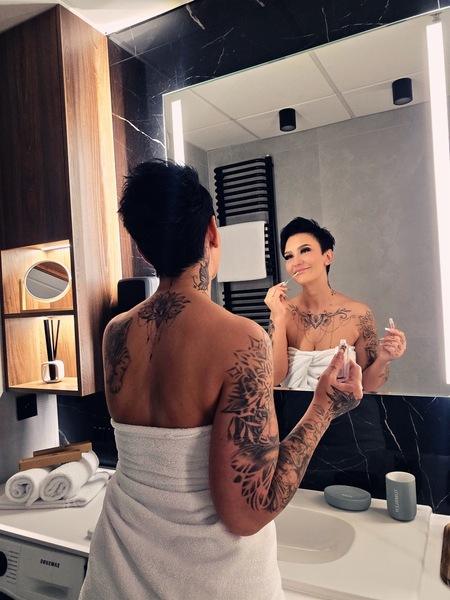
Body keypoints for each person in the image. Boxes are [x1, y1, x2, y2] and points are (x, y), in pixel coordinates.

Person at [79, 160, 363, 600]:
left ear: (144, 250)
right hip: (209, 585)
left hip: (114, 577)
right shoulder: (240, 340)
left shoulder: (115, 333)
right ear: (212, 231)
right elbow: (249, 512)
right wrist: (324, 407)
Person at [264, 217, 406, 391]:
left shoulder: (358, 314)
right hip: (292, 409)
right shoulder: (281, 311)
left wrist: (384, 359)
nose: (296, 262)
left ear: (328, 256)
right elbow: (274, 378)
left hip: (344, 409)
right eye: (289, 256)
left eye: (305, 250)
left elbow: (367, 386)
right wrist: (278, 317)